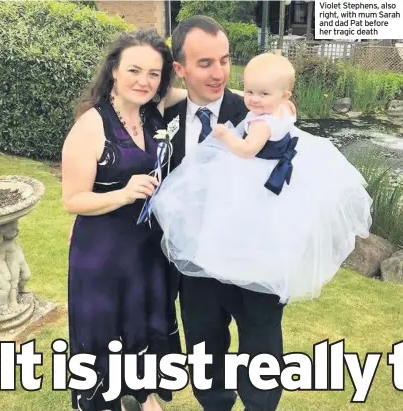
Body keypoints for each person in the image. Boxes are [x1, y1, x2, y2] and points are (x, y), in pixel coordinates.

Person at [152, 51, 372, 306]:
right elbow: (264, 99)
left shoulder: (261, 124)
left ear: (284, 95)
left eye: (263, 94)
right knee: (267, 224)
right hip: (277, 172)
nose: (254, 100)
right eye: (249, 92)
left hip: (254, 172)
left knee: (229, 214)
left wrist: (224, 135)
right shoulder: (283, 109)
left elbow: (246, 150)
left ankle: (225, 260)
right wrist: (267, 96)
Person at [157, 16, 286, 411]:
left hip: (253, 264)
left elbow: (287, 179)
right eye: (205, 63)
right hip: (194, 270)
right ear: (179, 69)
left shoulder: (261, 113)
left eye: (225, 60)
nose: (219, 73)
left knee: (261, 356)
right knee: (205, 352)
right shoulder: (161, 120)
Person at [62, 28, 188, 411]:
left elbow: (208, 95)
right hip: (103, 254)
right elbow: (72, 200)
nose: (144, 81)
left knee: (146, 321)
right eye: (134, 70)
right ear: (114, 70)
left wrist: (270, 105)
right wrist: (122, 193)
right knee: (106, 331)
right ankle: (104, 401)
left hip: (148, 251)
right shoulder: (92, 125)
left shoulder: (154, 113)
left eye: (154, 73)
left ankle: (145, 393)